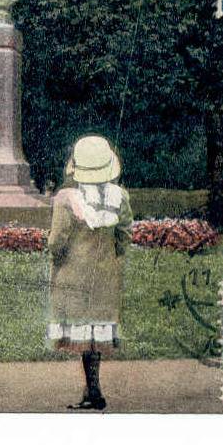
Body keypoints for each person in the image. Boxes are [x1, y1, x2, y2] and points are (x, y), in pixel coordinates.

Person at [47, 135, 133, 410]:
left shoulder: (66, 199)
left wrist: (55, 256)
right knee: (96, 334)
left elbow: (56, 241)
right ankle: (92, 388)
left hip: (74, 274)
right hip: (106, 274)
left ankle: (93, 390)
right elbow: (124, 234)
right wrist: (113, 258)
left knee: (84, 334)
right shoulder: (120, 197)